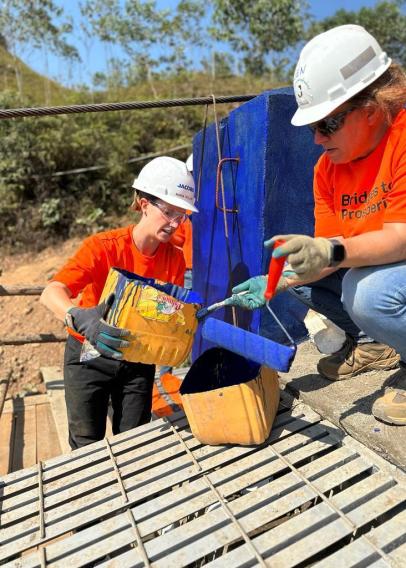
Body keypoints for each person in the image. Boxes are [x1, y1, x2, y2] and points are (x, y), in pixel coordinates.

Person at [227, 25, 406, 426]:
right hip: (387, 264)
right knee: (301, 274)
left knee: (369, 294)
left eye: (327, 124)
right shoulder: (327, 169)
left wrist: (333, 251)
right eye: (312, 128)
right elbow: (326, 246)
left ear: (373, 106)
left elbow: (400, 238)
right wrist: (273, 283)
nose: (317, 139)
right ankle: (377, 346)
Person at [40, 156, 198, 448]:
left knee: (134, 441)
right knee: (87, 444)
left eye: (182, 215)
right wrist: (80, 317)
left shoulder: (174, 259)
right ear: (144, 203)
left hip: (137, 357)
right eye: (169, 212)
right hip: (89, 356)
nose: (176, 223)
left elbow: (166, 310)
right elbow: (52, 292)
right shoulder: (103, 248)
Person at [159, 154, 194, 379]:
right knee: (180, 318)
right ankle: (166, 371)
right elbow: (177, 239)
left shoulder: (191, 209)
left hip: (201, 272)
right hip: (191, 272)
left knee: (189, 320)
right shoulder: (187, 210)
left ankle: (171, 370)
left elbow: (177, 239)